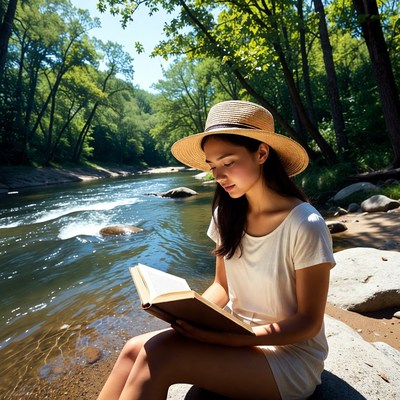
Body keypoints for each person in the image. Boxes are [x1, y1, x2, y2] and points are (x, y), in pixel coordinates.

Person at [97, 100, 336, 400]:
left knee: (159, 357)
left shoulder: (306, 224)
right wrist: (189, 315)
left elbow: (308, 322)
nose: (218, 176)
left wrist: (232, 339)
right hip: (239, 336)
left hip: (288, 356)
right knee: (134, 348)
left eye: (228, 162)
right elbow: (222, 286)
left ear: (261, 153)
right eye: (212, 166)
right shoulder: (227, 214)